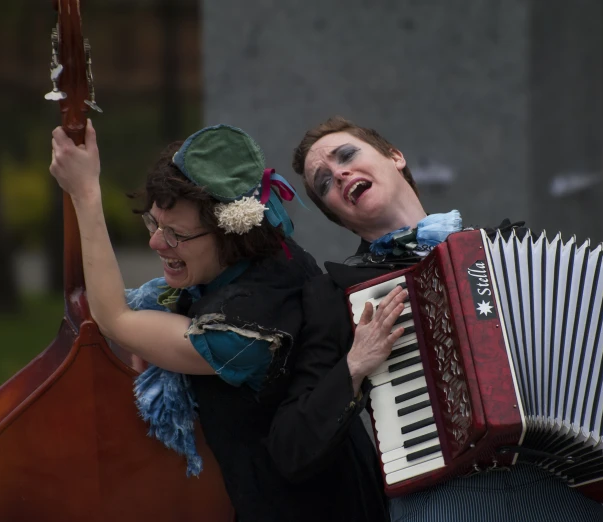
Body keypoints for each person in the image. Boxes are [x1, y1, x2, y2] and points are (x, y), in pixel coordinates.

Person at [267, 116, 603, 521]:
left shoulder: (506, 252)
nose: (339, 173)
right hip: (444, 502)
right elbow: (291, 448)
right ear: (336, 214)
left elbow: (591, 361)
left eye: (347, 156)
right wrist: (354, 366)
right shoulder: (338, 295)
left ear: (394, 157)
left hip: (557, 494)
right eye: (324, 181)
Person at [49, 121, 389, 521]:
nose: (156, 243)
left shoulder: (243, 334)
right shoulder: (270, 247)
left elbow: (115, 318)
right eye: (154, 223)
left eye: (176, 234)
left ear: (230, 233)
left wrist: (86, 193)